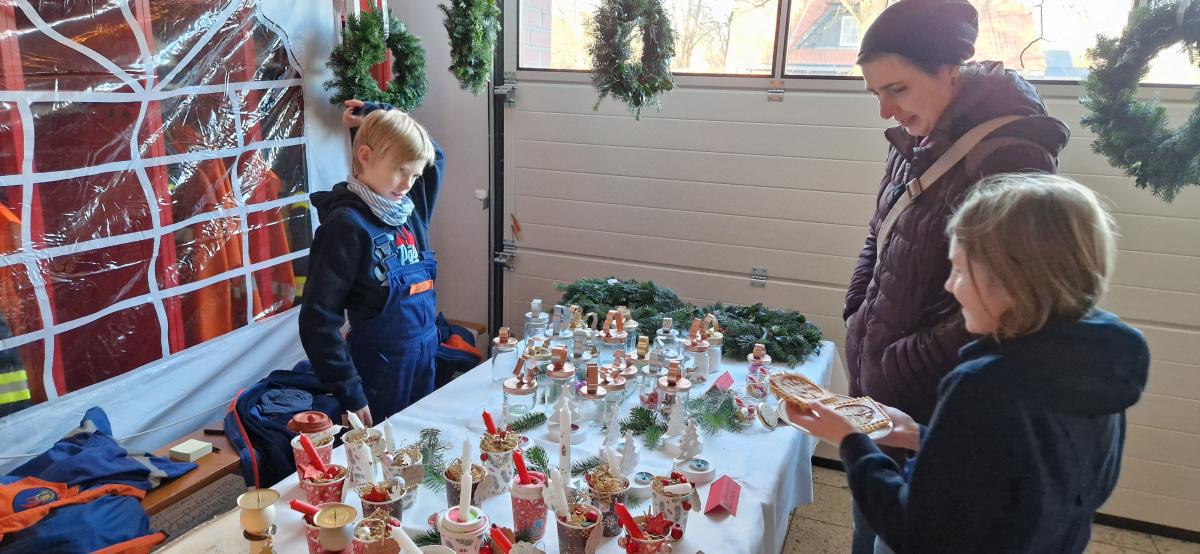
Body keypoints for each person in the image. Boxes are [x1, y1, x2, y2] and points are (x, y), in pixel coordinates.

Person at [793, 174, 1149, 553]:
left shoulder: (983, 385)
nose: (950, 286)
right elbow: (1029, 475)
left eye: (961, 270)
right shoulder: (1103, 358)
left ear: (1011, 280)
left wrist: (852, 441)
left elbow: (916, 532)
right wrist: (920, 436)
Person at [842, 1, 1070, 549]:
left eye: (896, 89)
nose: (885, 111)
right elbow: (881, 232)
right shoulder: (917, 139)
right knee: (867, 521)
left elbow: (1006, 303)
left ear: (950, 70)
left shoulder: (1010, 156)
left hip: (931, 403)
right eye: (876, 94)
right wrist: (857, 314)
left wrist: (897, 362)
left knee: (902, 534)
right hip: (881, 389)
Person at [300, 100, 446, 427]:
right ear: (364, 156)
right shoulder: (345, 227)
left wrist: (380, 112)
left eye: (414, 174)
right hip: (378, 380)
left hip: (423, 365)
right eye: (400, 170)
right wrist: (349, 392)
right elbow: (317, 321)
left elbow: (435, 157)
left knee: (422, 452)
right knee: (379, 471)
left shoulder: (411, 211)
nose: (409, 183)